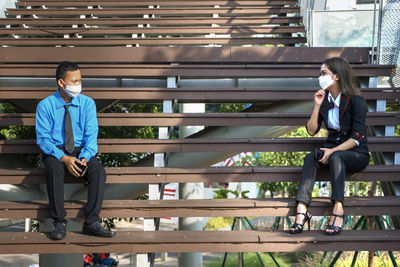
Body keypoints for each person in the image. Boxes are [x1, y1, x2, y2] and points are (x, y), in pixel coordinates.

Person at [289, 57, 370, 235]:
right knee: (311, 158)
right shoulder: (324, 99)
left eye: (324, 73)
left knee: (336, 156)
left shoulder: (355, 100)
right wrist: (317, 106)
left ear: (337, 76)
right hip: (332, 149)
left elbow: (357, 137)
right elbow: (311, 131)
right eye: (320, 74)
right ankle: (302, 210)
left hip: (356, 152)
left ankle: (338, 209)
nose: (320, 77)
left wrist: (333, 150)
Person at [36, 61, 116, 240]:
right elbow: (43, 140)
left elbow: (91, 135)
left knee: (98, 171)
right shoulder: (45, 106)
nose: (78, 84)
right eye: (74, 81)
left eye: (79, 80)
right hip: (55, 152)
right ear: (61, 83)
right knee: (54, 169)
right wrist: (63, 158)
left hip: (80, 151)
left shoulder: (88, 104)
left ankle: (91, 222)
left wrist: (86, 157)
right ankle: (59, 222)